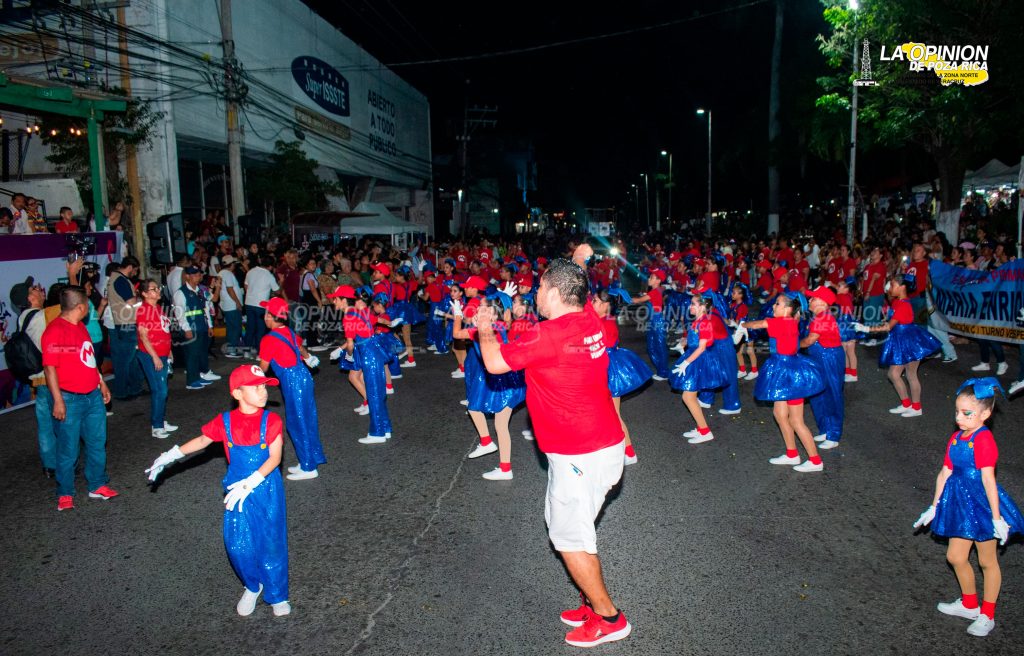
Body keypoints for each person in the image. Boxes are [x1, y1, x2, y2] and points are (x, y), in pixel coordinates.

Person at [475, 257, 632, 648]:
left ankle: (610, 618)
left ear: (558, 294)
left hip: (583, 455)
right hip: (594, 449)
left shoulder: (550, 334)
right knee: (565, 526)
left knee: (569, 539)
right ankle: (590, 603)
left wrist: (482, 324)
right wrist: (576, 262)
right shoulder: (589, 320)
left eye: (541, 287)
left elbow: (494, 363)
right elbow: (576, 281)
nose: (536, 292)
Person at [145, 365, 291, 617]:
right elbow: (202, 441)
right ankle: (252, 586)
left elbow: (275, 458)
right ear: (237, 393)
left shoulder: (272, 420)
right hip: (236, 489)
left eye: (264, 386)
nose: (263, 391)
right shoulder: (225, 422)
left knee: (271, 542)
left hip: (266, 488)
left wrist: (252, 482)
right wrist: (170, 455)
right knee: (237, 545)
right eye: (255, 387)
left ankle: (277, 594)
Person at [912, 378, 1023, 637]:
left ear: (986, 414)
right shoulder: (956, 438)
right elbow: (945, 472)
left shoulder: (984, 440)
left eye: (967, 413)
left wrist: (996, 518)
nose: (959, 418)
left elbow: (988, 480)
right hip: (958, 501)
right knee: (955, 557)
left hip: (982, 503)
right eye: (957, 412)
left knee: (987, 560)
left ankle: (987, 614)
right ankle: (970, 604)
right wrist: (933, 506)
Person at [42, 286, 118, 510]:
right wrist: (58, 400)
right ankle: (65, 492)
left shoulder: (81, 327)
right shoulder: (55, 331)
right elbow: (49, 369)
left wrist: (101, 382)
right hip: (69, 399)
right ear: (81, 307)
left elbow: (89, 359)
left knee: (97, 443)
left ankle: (97, 484)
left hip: (92, 396)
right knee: (68, 450)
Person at [738, 292, 826, 473]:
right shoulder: (790, 321)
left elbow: (759, 323)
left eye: (777, 304)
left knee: (796, 421)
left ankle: (816, 460)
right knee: (779, 414)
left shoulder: (782, 322)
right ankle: (792, 453)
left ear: (787, 309)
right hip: (783, 370)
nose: (773, 307)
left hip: (789, 373)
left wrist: (741, 324)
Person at [452, 293, 526, 480]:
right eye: (479, 309)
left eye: (485, 310)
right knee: (474, 408)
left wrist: (505, 302)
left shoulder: (495, 327)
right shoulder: (478, 329)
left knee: (501, 424)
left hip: (506, 381)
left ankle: (504, 467)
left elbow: (504, 323)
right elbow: (456, 335)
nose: (479, 312)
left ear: (494, 316)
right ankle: (487, 443)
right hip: (495, 379)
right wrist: (459, 314)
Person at [853, 273, 941, 417]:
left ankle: (917, 407)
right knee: (893, 374)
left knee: (911, 375)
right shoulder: (898, 302)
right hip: (900, 341)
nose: (890, 288)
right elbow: (890, 321)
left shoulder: (903, 305)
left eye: (893, 285)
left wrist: (866, 329)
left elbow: (888, 327)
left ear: (902, 287)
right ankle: (906, 404)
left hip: (910, 342)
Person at [258, 297, 325, 480]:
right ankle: (312, 457)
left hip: (292, 381)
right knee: (308, 418)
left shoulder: (268, 339)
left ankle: (308, 467)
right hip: (304, 375)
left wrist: (250, 378)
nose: (264, 317)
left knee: (297, 422)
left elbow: (262, 369)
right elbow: (300, 346)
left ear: (271, 317)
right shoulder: (288, 330)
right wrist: (309, 357)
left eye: (266, 313)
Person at [593, 288, 650, 464]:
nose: (591, 303)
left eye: (594, 301)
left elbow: (599, 349)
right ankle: (606, 447)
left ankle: (629, 452)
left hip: (608, 371)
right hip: (604, 367)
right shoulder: (603, 318)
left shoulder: (605, 323)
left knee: (614, 414)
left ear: (605, 306)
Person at [670, 294, 731, 444]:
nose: (690, 306)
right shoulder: (698, 321)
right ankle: (701, 428)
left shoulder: (704, 322)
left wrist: (686, 363)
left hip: (700, 360)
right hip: (695, 357)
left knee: (688, 397)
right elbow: (695, 340)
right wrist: (683, 343)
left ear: (702, 307)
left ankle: (705, 431)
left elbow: (702, 347)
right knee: (689, 396)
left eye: (693, 304)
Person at [10, 277, 54, 476]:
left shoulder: (23, 318)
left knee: (44, 424)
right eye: (34, 289)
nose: (39, 289)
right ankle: (63, 463)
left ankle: (49, 464)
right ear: (30, 297)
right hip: (50, 377)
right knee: (61, 423)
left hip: (37, 378)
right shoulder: (42, 317)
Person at [801, 287, 845, 450]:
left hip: (829, 358)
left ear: (822, 302)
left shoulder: (823, 318)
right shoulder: (818, 317)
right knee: (819, 393)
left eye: (813, 298)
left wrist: (791, 345)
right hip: (820, 356)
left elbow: (809, 340)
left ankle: (834, 434)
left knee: (832, 394)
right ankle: (826, 428)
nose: (810, 301)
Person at [136, 279, 178, 438]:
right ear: (145, 294)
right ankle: (157, 425)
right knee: (160, 390)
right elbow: (144, 336)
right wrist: (155, 357)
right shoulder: (143, 310)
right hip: (151, 355)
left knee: (162, 390)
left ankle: (160, 419)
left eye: (158, 288)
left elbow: (164, 330)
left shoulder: (158, 308)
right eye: (153, 289)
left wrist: (168, 351)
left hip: (162, 353)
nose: (158, 291)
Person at [104, 256, 145, 400]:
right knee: (124, 360)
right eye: (135, 270)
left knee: (131, 359)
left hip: (123, 322)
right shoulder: (120, 280)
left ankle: (134, 388)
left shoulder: (115, 278)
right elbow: (131, 302)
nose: (135, 273)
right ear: (130, 267)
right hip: (126, 322)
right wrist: (141, 300)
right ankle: (121, 391)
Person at [174, 266, 217, 390]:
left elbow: (206, 308)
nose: (199, 277)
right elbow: (179, 313)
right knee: (192, 354)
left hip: (201, 326)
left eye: (199, 274)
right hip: (191, 328)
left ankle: (198, 377)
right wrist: (186, 328)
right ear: (187, 276)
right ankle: (191, 381)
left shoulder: (200, 291)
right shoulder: (181, 293)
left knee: (200, 353)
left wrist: (209, 325)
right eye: (196, 275)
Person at [630, 269, 669, 381]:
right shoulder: (656, 290)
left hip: (657, 321)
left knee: (659, 347)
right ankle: (661, 370)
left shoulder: (655, 291)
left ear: (658, 281)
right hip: (653, 320)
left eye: (651, 277)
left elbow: (637, 301)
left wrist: (625, 296)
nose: (648, 279)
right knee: (652, 346)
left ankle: (664, 373)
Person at [244, 254, 280, 357]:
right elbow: (277, 291)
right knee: (260, 329)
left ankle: (247, 351)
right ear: (271, 266)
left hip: (249, 303)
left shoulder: (250, 271)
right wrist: (281, 282)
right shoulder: (269, 275)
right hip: (261, 305)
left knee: (250, 328)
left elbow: (246, 286)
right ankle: (260, 352)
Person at [218, 257, 245, 358]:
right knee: (236, 328)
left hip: (226, 305)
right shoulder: (228, 274)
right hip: (232, 305)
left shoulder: (221, 273)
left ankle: (230, 349)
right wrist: (238, 302)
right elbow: (230, 289)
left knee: (230, 328)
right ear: (231, 264)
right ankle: (232, 350)